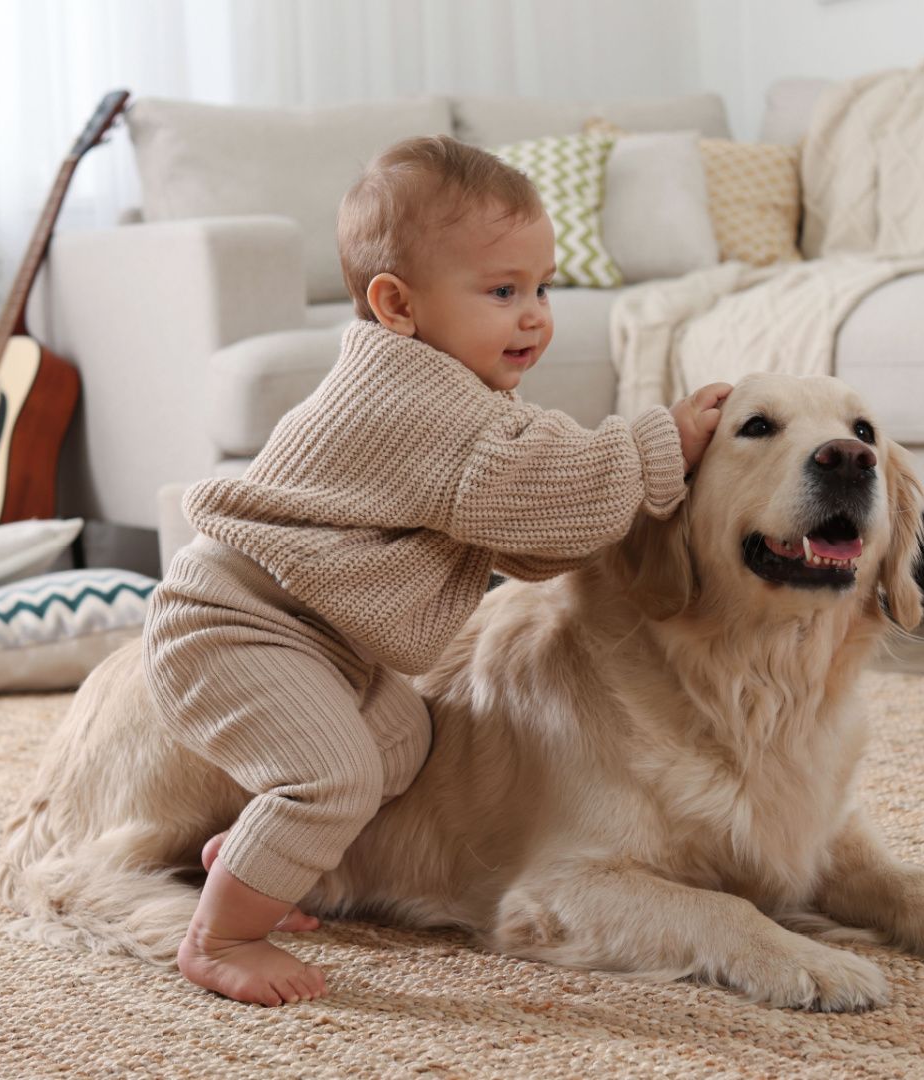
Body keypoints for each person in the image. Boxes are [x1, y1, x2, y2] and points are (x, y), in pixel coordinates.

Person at [148, 134, 731, 1005]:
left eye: (543, 288)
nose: (534, 315)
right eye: (502, 292)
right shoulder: (417, 401)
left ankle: (255, 851)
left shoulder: (452, 396)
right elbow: (543, 485)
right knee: (332, 775)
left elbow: (530, 537)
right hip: (236, 624)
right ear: (398, 304)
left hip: (314, 636)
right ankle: (222, 933)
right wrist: (663, 443)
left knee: (406, 742)